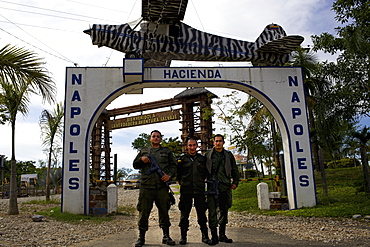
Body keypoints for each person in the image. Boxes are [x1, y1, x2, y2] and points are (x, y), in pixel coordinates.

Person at [133, 130, 177, 247]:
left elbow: (173, 166)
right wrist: (141, 160)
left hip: (161, 187)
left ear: (161, 139)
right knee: (143, 211)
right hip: (146, 186)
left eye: (158, 136)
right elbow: (135, 164)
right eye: (154, 136)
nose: (156, 138)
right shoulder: (143, 151)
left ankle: (166, 236)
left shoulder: (166, 151)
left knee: (164, 211)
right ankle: (141, 237)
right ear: (150, 138)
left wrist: (169, 176)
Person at [205, 134, 240, 245]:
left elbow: (235, 170)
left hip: (224, 186)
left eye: (220, 141)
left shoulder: (228, 155)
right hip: (212, 187)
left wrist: (235, 182)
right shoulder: (208, 155)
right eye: (216, 141)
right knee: (212, 212)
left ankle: (222, 235)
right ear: (213, 142)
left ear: (223, 142)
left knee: (224, 211)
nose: (218, 143)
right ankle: (214, 236)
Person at [177, 138, 211, 245]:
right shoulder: (182, 160)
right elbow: (178, 174)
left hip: (199, 190)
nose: (192, 147)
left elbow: (206, 172)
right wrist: (183, 183)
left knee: (201, 214)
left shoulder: (202, 159)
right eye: (190, 145)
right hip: (186, 190)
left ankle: (205, 236)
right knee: (184, 214)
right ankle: (183, 237)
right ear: (187, 146)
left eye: (194, 145)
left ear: (197, 146)